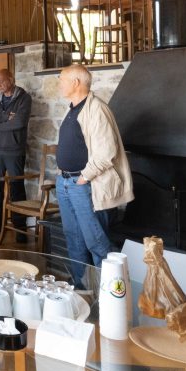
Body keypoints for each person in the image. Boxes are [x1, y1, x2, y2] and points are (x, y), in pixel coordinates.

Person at [54, 64, 134, 287]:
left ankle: (111, 295)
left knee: (97, 243)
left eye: (61, 79)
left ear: (76, 83)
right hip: (66, 183)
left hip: (84, 185)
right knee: (75, 242)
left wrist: (83, 178)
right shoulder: (73, 108)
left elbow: (107, 152)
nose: (59, 83)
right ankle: (83, 293)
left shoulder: (96, 109)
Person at [0, 68, 32, 240]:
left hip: (14, 151)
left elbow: (19, 122)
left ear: (11, 79)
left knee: (17, 189)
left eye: (1, 81)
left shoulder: (24, 98)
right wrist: (3, 117)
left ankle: (20, 228)